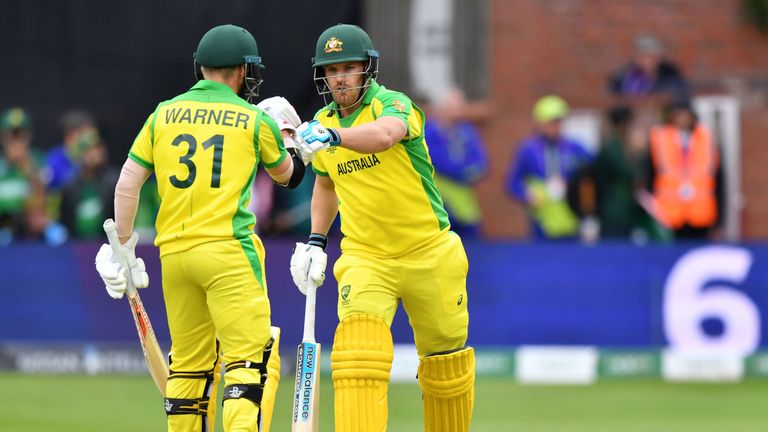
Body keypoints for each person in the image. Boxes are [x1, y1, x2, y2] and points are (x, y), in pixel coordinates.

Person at [93, 24, 307, 432]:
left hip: (174, 256)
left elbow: (127, 182)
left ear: (201, 67)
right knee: (247, 363)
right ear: (244, 71)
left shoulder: (163, 114)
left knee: (188, 368)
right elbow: (288, 176)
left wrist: (121, 248)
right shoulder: (251, 118)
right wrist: (289, 136)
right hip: (228, 253)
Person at [289, 24, 475, 432]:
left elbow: (384, 136)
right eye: (331, 69)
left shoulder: (394, 105)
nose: (339, 77)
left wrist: (334, 135)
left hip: (430, 251)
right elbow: (325, 182)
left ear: (366, 70)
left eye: (348, 67)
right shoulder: (322, 122)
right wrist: (316, 241)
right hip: (366, 258)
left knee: (446, 369)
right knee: (357, 359)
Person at [506, 95, 592, 240]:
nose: (555, 125)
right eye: (551, 121)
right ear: (540, 123)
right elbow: (512, 183)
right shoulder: (528, 149)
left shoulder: (576, 148)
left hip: (572, 218)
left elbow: (590, 178)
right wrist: (527, 194)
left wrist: (588, 210)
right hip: (541, 220)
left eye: (558, 121)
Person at [640, 100, 722, 240]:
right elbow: (650, 176)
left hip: (700, 214)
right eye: (678, 114)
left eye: (685, 114)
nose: (682, 119)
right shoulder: (660, 138)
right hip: (668, 215)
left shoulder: (706, 138)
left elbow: (718, 180)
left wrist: (720, 218)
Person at [424, 87, 488, 237]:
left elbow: (482, 163)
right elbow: (444, 165)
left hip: (466, 207)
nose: (459, 111)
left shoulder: (468, 131)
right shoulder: (429, 133)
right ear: (441, 108)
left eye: (461, 106)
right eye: (454, 107)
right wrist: (468, 171)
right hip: (439, 206)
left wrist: (466, 171)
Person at [0, 107, 47, 244]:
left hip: (30, 229)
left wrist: (28, 168)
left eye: (21, 135)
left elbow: (44, 200)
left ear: (29, 136)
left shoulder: (38, 160)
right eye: (12, 135)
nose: (17, 141)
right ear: (3, 137)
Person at [608, 34, 691, 109]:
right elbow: (615, 101)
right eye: (644, 56)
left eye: (652, 56)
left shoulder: (670, 74)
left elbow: (680, 96)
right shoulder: (624, 77)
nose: (648, 61)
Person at [59, 138, 121, 240]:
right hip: (76, 244)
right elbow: (65, 219)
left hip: (107, 242)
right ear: (79, 155)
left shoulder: (115, 181)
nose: (95, 153)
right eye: (89, 150)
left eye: (98, 148)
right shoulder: (69, 185)